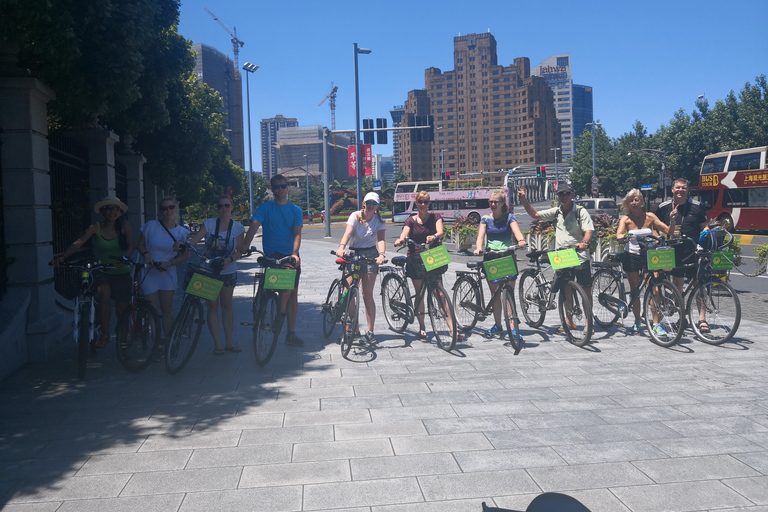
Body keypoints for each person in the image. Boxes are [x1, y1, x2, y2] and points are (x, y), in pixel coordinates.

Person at [52, 195, 136, 348]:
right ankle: (105, 334)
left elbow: (131, 245)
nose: (112, 212)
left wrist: (124, 258)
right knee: (103, 295)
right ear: (102, 212)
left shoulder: (124, 225)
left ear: (120, 211)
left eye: (116, 209)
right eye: (108, 209)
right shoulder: (95, 227)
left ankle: (123, 338)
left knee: (122, 309)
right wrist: (63, 257)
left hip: (122, 271)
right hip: (104, 271)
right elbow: (78, 244)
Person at [518, 182, 595, 329]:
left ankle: (588, 321)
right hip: (562, 255)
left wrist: (585, 242)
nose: (564, 196)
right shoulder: (556, 212)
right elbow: (535, 214)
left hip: (579, 254)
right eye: (561, 194)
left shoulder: (580, 212)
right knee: (566, 288)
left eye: (567, 193)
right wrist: (523, 199)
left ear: (572, 195)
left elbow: (588, 231)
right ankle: (568, 319)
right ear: (558, 196)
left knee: (585, 289)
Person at [244, 175, 304, 347]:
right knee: (278, 289)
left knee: (292, 294)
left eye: (283, 186)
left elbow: (297, 233)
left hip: (290, 255)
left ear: (287, 187)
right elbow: (254, 226)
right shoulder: (265, 208)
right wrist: (245, 245)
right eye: (276, 187)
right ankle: (273, 313)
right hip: (271, 255)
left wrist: (294, 254)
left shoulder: (295, 210)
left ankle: (289, 330)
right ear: (272, 188)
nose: (280, 189)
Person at [394, 191, 462, 342]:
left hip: (433, 256)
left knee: (441, 294)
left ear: (429, 203)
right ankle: (422, 327)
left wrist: (434, 237)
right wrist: (401, 240)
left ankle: (452, 330)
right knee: (420, 293)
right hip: (416, 258)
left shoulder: (435, 217)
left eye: (425, 202)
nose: (423, 204)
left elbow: (440, 231)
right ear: (416, 203)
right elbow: (405, 233)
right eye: (420, 201)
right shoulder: (410, 220)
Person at [187, 194, 245, 355]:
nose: (224, 209)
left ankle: (229, 342)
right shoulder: (210, 224)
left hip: (228, 270)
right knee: (212, 306)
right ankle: (217, 344)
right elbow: (196, 239)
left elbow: (240, 250)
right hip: (208, 270)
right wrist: (185, 244)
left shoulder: (238, 227)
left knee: (226, 306)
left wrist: (229, 259)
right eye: (220, 206)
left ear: (232, 207)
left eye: (227, 205)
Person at [655, 178, 709, 331]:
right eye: (678, 188)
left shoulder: (697, 206)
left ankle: (702, 319)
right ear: (672, 189)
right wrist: (658, 240)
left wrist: (704, 241)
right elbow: (654, 226)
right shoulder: (663, 207)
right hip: (673, 251)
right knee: (677, 286)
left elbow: (705, 227)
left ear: (688, 190)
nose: (680, 190)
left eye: (683, 188)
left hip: (693, 250)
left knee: (700, 284)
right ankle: (682, 317)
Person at [615, 189, 670, 335]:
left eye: (637, 199)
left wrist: (673, 220)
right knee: (635, 290)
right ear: (627, 203)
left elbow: (668, 230)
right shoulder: (626, 219)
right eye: (631, 200)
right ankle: (637, 320)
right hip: (631, 255)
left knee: (655, 289)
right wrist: (621, 236)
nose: (634, 202)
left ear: (642, 202)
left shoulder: (650, 216)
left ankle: (656, 323)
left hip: (649, 255)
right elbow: (619, 233)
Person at [474, 190, 527, 339]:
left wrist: (521, 240)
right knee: (495, 294)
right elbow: (481, 236)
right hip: (492, 257)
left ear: (502, 203)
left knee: (508, 292)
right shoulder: (485, 219)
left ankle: (513, 326)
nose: (492, 204)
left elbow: (517, 232)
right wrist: (478, 248)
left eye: (495, 202)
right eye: (490, 202)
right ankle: (498, 325)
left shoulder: (510, 217)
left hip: (507, 256)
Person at [336, 192, 387, 344]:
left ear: (377, 206)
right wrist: (341, 247)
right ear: (364, 203)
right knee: (349, 292)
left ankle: (370, 331)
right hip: (353, 252)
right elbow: (348, 233)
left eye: (374, 204)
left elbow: (381, 239)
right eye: (369, 203)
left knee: (367, 294)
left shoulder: (379, 220)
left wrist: (382, 255)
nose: (371, 206)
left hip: (371, 254)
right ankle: (354, 328)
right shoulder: (355, 216)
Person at [136, 197, 190, 338]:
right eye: (164, 208)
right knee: (152, 310)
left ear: (176, 209)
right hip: (150, 272)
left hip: (167, 272)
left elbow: (185, 256)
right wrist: (146, 254)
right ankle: (156, 343)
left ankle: (168, 341)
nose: (168, 211)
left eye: (171, 207)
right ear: (160, 211)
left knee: (167, 309)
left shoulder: (182, 232)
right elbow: (140, 245)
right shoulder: (150, 226)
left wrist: (169, 264)